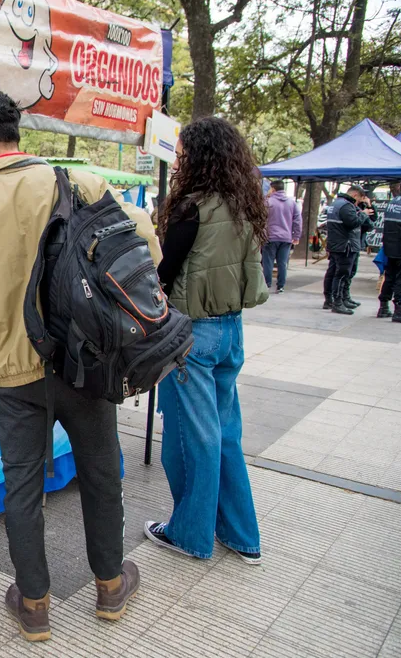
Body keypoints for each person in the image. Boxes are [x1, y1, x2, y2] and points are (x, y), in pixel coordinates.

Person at [0, 87, 161, 641]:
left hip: (14, 378)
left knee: (22, 487)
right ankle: (110, 589)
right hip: (87, 365)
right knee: (101, 476)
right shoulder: (79, 183)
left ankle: (33, 606)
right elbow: (144, 245)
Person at [145, 117, 269, 565]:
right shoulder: (244, 203)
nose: (177, 161)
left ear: (197, 158)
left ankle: (190, 535)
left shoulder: (191, 207)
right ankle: (242, 536)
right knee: (225, 434)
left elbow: (164, 275)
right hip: (232, 331)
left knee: (192, 440)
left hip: (193, 336)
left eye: (181, 154)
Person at [322, 185, 375, 314]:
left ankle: (337, 299)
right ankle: (337, 302)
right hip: (345, 245)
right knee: (341, 274)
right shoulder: (346, 206)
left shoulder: (337, 203)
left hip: (338, 244)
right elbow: (353, 222)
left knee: (335, 273)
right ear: (355, 195)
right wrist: (363, 214)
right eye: (360, 199)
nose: (359, 202)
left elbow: (370, 223)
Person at [262, 180, 302, 294]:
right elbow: (298, 220)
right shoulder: (291, 203)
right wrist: (296, 236)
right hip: (286, 238)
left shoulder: (267, 202)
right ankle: (280, 286)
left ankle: (267, 284)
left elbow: (261, 219)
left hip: (270, 237)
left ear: (273, 189)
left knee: (268, 262)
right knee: (282, 263)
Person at [379, 178, 401, 323]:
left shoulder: (392, 202)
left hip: (390, 248)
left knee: (390, 277)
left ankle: (383, 306)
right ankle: (399, 309)